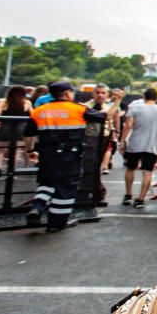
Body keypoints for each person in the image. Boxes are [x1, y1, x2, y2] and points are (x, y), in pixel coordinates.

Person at [23, 82, 105, 231]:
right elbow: (103, 116)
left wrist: (30, 151)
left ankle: (37, 207)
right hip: (69, 155)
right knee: (66, 188)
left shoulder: (39, 111)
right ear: (68, 94)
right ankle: (57, 223)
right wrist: (117, 101)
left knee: (46, 183)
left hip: (46, 155)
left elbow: (28, 136)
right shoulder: (77, 109)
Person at [119, 88, 157, 208]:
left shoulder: (134, 108)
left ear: (143, 97)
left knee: (130, 168)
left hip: (135, 144)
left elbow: (128, 126)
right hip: (153, 145)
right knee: (147, 171)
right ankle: (141, 199)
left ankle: (128, 195)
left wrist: (121, 142)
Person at [0, 85, 33, 177]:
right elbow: (33, 115)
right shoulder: (27, 103)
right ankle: (11, 171)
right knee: (16, 151)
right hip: (21, 128)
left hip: (5, 127)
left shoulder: (3, 102)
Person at [85, 83, 119, 175]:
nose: (100, 95)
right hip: (90, 137)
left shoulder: (108, 107)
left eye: (103, 93)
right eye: (97, 92)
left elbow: (110, 122)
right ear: (93, 94)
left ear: (107, 94)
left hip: (104, 136)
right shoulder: (86, 107)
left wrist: (113, 134)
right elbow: (107, 117)